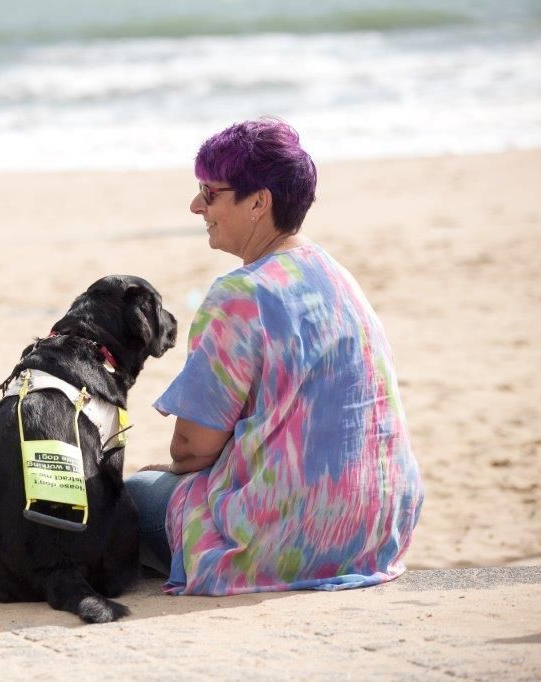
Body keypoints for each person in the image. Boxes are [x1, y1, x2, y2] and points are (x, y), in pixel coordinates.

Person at [125, 118, 424, 596]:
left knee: (132, 494)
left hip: (284, 539)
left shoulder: (241, 293)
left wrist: (177, 469)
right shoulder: (337, 275)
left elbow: (191, 448)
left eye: (210, 191)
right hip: (376, 531)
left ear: (259, 202)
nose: (197, 205)